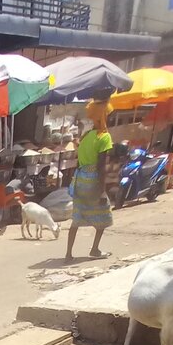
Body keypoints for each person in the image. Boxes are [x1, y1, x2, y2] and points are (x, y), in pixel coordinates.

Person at [65, 100, 113, 262]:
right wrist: (101, 191)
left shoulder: (85, 136)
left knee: (77, 217)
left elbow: (78, 162)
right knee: (104, 214)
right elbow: (101, 167)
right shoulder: (104, 137)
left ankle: (68, 254)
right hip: (92, 181)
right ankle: (95, 249)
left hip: (80, 180)